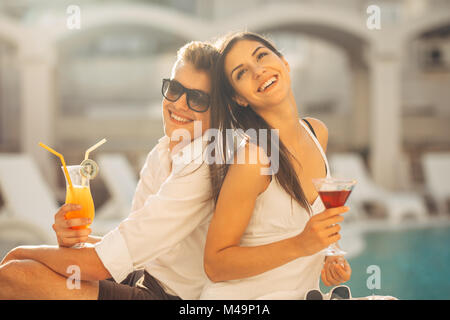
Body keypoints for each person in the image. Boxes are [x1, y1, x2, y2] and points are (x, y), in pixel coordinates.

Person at [0, 40, 219, 300]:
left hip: (172, 297)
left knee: (16, 275)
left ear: (217, 111)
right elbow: (126, 251)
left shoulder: (203, 163)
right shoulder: (160, 155)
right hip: (142, 276)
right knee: (19, 273)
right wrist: (72, 243)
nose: (179, 104)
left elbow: (102, 263)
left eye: (197, 98)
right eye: (174, 88)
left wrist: (22, 253)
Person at [201, 32, 352, 300]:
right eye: (241, 73)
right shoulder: (254, 159)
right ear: (239, 98)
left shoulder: (317, 133)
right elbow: (215, 265)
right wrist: (301, 245)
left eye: (261, 56)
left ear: (284, 62)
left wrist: (329, 257)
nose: (258, 71)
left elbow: (302, 226)